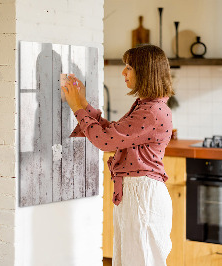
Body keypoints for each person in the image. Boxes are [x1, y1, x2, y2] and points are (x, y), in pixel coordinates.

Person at [62, 44, 174, 266]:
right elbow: (113, 133)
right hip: (137, 193)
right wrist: (83, 104)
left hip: (142, 195)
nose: (123, 72)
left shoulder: (151, 111)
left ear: (145, 72)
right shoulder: (147, 106)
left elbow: (105, 141)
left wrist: (77, 108)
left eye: (129, 67)